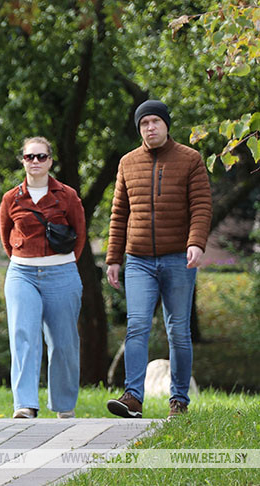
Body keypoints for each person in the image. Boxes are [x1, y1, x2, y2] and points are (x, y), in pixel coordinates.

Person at [105, 100, 211, 418]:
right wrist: (113, 257)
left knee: (178, 330)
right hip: (137, 260)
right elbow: (118, 213)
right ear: (139, 129)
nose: (150, 127)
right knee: (136, 326)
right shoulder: (127, 162)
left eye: (155, 121)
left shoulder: (190, 159)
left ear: (166, 124)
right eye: (144, 123)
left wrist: (196, 244)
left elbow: (202, 206)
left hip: (179, 258)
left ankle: (178, 400)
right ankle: (133, 398)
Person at [0, 136, 86, 419]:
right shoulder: (12, 198)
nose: (35, 162)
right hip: (22, 273)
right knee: (23, 335)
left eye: (41, 157)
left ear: (50, 160)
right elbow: (5, 236)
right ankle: (24, 404)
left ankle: (64, 404)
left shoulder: (67, 195)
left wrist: (64, 261)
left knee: (63, 341)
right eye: (29, 157)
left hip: (61, 272)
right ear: (22, 160)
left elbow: (80, 233)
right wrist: (23, 258)